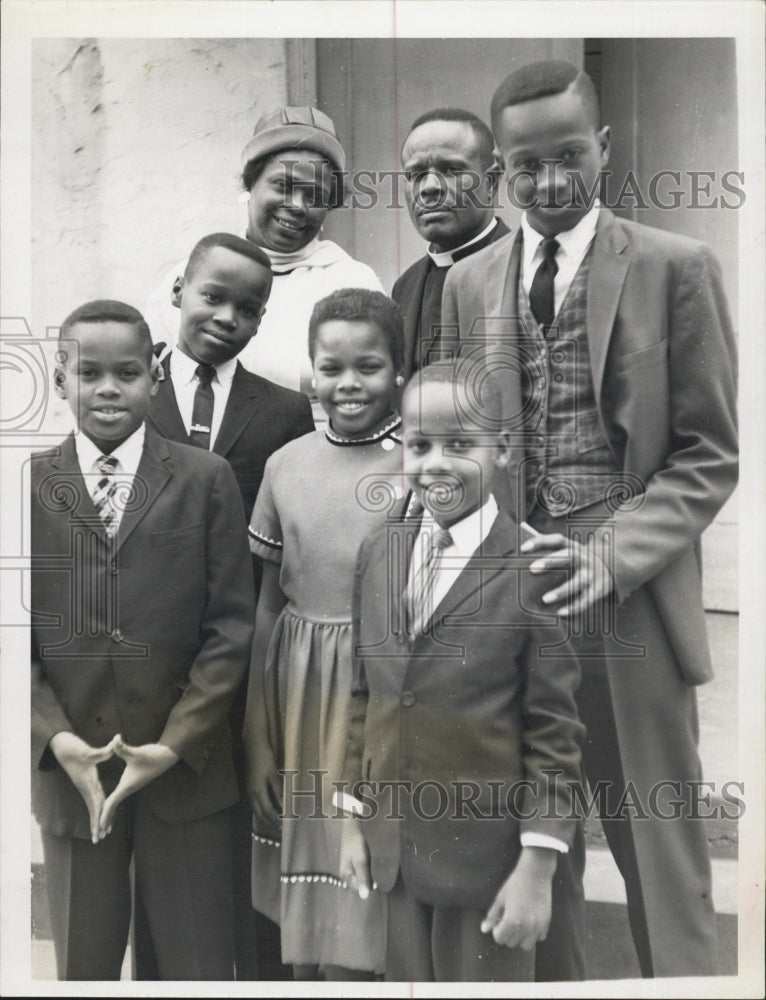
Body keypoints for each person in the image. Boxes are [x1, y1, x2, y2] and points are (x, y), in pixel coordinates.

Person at [442, 59, 738, 979]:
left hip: (631, 600)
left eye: (571, 156)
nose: (551, 182)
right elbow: (469, 440)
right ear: (501, 172)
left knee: (656, 833)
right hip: (512, 597)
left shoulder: (674, 266)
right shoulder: (468, 285)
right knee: (534, 838)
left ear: (603, 148)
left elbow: (708, 452)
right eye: (527, 166)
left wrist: (615, 556)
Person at [338, 362, 584, 983]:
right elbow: (364, 694)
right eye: (419, 445)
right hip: (395, 853)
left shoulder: (533, 571)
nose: (435, 463)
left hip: (489, 870)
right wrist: (351, 822)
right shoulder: (379, 552)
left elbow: (554, 733)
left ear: (502, 449)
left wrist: (538, 866)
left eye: (460, 445)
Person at [31, 300, 255, 979]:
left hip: (186, 771)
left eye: (127, 372)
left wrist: (176, 741)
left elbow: (230, 629)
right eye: (87, 373)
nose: (107, 389)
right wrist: (54, 737)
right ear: (60, 379)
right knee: (84, 964)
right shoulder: (26, 484)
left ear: (155, 376)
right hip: (75, 771)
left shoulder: (204, 478)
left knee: (197, 965)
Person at [140, 232, 314, 980]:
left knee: (250, 835)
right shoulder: (130, 391)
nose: (227, 317)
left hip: (239, 658)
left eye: (249, 309)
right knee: (165, 847)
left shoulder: (283, 411)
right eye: (214, 296)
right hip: (146, 658)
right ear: (179, 289)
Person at [243, 288, 405, 980]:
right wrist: (257, 729)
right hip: (297, 687)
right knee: (302, 887)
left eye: (368, 366)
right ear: (310, 371)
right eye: (330, 367)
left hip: (378, 689)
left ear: (400, 369)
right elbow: (265, 606)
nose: (348, 384)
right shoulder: (286, 464)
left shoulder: (418, 465)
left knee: (365, 873)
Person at [144, 107, 383, 418]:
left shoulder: (353, 284)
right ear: (250, 184)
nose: (297, 206)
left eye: (315, 195)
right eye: (283, 186)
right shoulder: (193, 273)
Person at [392, 108, 509, 380]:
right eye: (415, 174)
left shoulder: (525, 269)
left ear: (491, 182)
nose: (429, 187)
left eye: (451, 170)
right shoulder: (404, 287)